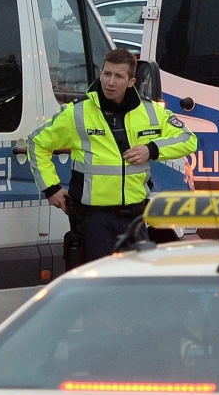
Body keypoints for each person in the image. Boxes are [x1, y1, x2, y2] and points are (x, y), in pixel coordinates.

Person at [30, 48, 200, 261]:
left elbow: (188, 139)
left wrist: (152, 149)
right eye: (106, 74)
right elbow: (36, 144)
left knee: (134, 286)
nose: (111, 82)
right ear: (100, 73)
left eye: (119, 76)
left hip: (134, 217)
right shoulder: (78, 113)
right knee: (98, 287)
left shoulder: (150, 112)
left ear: (131, 81)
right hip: (93, 218)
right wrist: (51, 188)